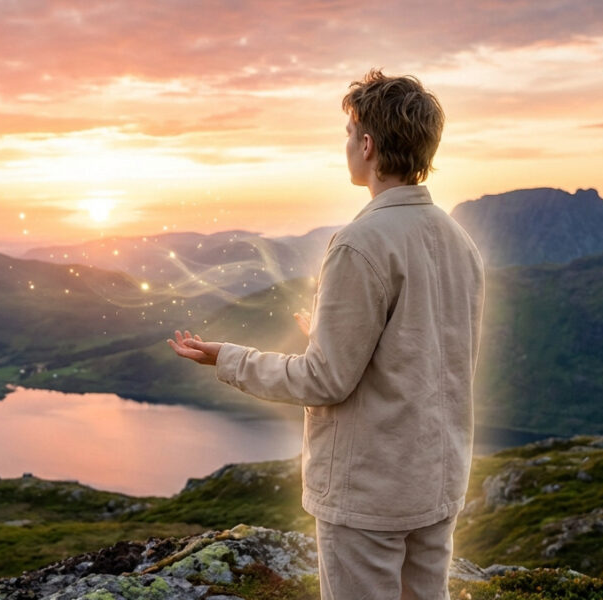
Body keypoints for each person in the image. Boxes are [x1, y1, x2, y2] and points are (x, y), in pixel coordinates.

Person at [166, 69, 485, 600]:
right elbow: (429, 351)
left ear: (367, 144)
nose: (345, 146)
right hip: (437, 483)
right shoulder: (459, 241)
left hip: (369, 494)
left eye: (348, 133)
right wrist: (332, 333)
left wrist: (229, 358)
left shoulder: (360, 244)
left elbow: (324, 381)